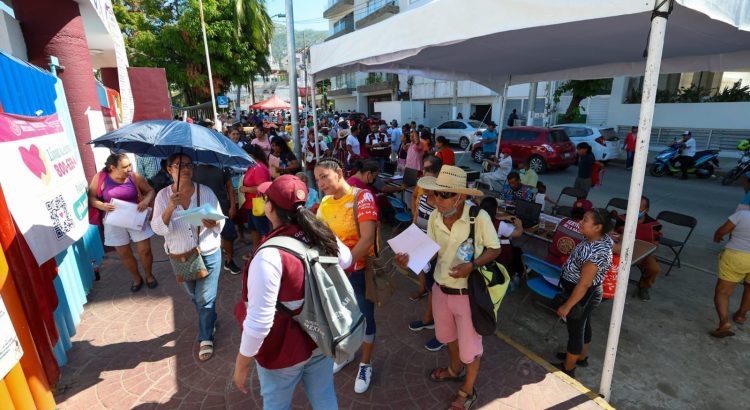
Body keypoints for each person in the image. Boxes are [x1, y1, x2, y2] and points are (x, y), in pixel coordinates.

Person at [232, 175, 352, 409]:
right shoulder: (320, 234)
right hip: (321, 336)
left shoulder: (269, 255)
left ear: (269, 208)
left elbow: (259, 322)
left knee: (276, 404)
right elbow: (346, 259)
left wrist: (242, 363)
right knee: (325, 397)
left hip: (281, 350)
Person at [395, 166, 501, 410]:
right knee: (447, 337)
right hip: (441, 290)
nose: (435, 201)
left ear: (460, 196)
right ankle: (454, 370)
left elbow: (495, 249)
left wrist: (472, 265)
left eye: (443, 195)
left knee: (471, 351)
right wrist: (408, 260)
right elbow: (430, 254)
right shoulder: (434, 217)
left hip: (468, 295)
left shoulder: (478, 217)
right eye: (434, 195)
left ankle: (467, 390)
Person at [151, 154, 225, 361]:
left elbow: (220, 220)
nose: (186, 168)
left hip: (208, 251)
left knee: (205, 297)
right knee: (195, 296)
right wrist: (169, 208)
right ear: (169, 169)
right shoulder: (162, 196)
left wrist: (214, 223)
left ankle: (205, 337)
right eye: (180, 165)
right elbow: (157, 229)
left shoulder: (205, 191)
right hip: (180, 255)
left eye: (189, 165)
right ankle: (209, 319)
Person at [314, 158, 379, 394]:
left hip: (358, 274)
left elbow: (367, 239)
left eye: (324, 176)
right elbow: (319, 235)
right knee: (340, 318)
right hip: (334, 274)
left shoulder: (362, 198)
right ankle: (347, 354)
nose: (320, 183)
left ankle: (365, 364)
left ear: (339, 172)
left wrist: (345, 265)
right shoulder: (325, 202)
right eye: (317, 178)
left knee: (365, 320)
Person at [555, 209, 614, 378]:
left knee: (575, 331)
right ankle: (581, 356)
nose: (580, 222)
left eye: (585, 220)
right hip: (585, 293)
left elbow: (584, 283)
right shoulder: (600, 239)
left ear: (597, 227)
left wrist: (568, 305)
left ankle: (568, 368)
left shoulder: (596, 252)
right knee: (583, 324)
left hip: (583, 294)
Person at [88, 153, 157, 291]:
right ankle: (136, 278)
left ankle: (149, 275)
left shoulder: (134, 177)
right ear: (112, 167)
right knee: (124, 254)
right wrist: (101, 205)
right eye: (125, 167)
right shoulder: (100, 177)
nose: (129, 169)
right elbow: (91, 197)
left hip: (135, 217)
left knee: (145, 251)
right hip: (113, 222)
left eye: (130, 165)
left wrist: (146, 200)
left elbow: (150, 191)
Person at [409, 155, 446, 352]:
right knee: (433, 288)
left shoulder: (443, 201)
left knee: (439, 291)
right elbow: (419, 216)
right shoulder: (424, 194)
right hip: (424, 246)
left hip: (436, 251)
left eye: (428, 173)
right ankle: (429, 319)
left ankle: (443, 331)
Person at [193, 164, 240, 275]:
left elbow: (229, 187)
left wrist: (232, 206)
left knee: (228, 235)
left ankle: (229, 261)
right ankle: (202, 264)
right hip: (202, 210)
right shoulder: (193, 168)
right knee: (200, 238)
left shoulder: (222, 166)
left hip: (222, 208)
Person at [710, 209, 750, 338]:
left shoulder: (742, 215)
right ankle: (741, 315)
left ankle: (724, 324)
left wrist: (717, 237)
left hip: (737, 256)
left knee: (723, 292)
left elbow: (722, 231)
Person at [614, 196, 662, 301]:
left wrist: (645, 248)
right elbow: (614, 236)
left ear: (646, 210)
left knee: (654, 269)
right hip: (621, 250)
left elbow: (655, 245)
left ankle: (644, 286)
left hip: (643, 254)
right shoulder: (622, 219)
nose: (635, 211)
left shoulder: (654, 225)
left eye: (639, 209)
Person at [240, 145, 273, 254]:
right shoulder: (253, 166)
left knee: (263, 231)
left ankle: (267, 253)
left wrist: (246, 189)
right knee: (254, 230)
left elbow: (263, 187)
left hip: (258, 205)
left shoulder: (259, 167)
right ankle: (256, 251)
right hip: (251, 205)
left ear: (251, 155)